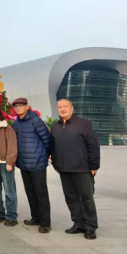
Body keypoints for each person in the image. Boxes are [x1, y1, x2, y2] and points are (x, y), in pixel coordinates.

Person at [51, 99, 100, 240]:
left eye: (65, 106)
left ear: (71, 108)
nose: (62, 109)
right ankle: (78, 223)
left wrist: (94, 165)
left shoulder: (84, 124)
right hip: (63, 169)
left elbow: (93, 145)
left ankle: (90, 227)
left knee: (86, 198)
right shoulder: (55, 126)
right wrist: (56, 163)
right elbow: (52, 147)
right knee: (71, 198)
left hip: (82, 168)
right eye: (60, 107)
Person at [12, 98, 52, 233]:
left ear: (27, 107)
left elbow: (47, 140)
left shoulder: (36, 121)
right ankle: (36, 217)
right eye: (16, 106)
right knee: (30, 192)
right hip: (24, 163)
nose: (18, 108)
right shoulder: (16, 124)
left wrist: (44, 155)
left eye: (21, 106)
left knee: (41, 194)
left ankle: (45, 223)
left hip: (37, 163)